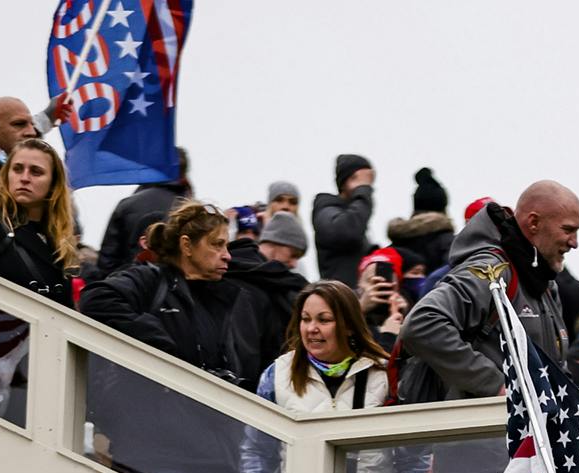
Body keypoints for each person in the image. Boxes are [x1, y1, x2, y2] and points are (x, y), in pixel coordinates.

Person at [80, 199, 301, 390]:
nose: (227, 256)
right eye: (217, 245)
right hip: (148, 427)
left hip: (212, 431)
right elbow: (96, 298)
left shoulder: (227, 297)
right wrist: (154, 340)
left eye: (226, 246)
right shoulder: (151, 280)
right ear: (187, 245)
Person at [397, 182, 579, 403]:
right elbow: (422, 324)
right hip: (475, 432)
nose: (574, 243)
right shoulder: (492, 272)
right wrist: (495, 385)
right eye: (568, 230)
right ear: (533, 222)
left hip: (521, 431)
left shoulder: (545, 286)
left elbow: (552, 380)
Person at [245, 281, 395, 473]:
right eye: (305, 319)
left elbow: (413, 459)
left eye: (324, 320)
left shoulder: (384, 375)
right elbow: (257, 453)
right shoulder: (277, 375)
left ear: (348, 324)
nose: (312, 329)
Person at [0, 135, 77, 305]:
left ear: (53, 184)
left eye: (36, 171)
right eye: (17, 169)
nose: (24, 178)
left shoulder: (58, 241)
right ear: (6, 175)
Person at [89, 147, 190, 280]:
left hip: (126, 287)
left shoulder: (127, 204)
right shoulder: (191, 212)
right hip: (175, 290)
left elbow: (107, 262)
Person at [313, 154, 375, 288]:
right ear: (347, 180)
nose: (368, 187)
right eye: (361, 179)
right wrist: (362, 190)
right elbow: (348, 232)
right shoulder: (325, 209)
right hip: (338, 297)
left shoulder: (355, 215)